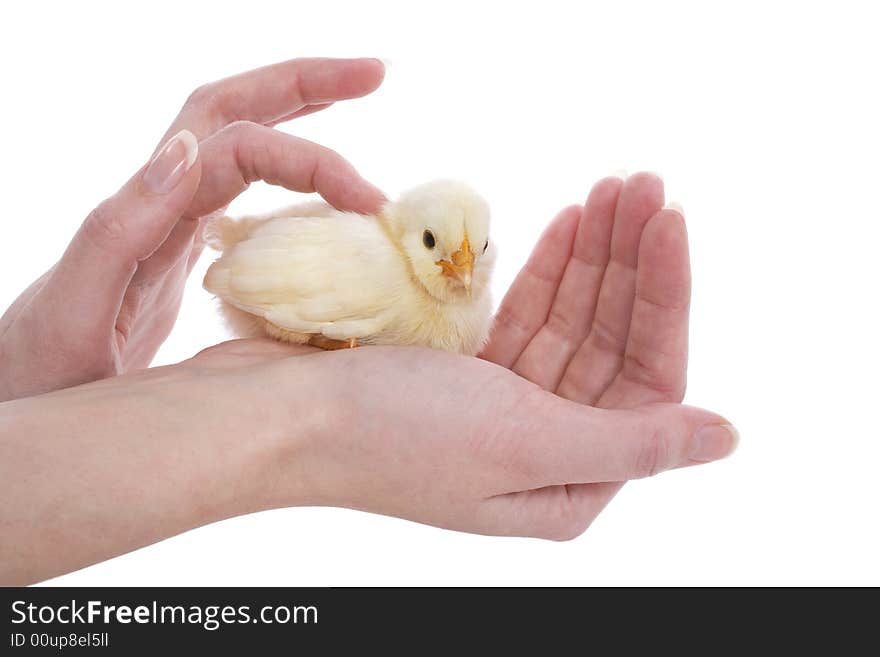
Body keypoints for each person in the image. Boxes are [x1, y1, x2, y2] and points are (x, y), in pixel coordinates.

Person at [0, 57, 737, 585]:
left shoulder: (457, 299)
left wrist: (26, 392)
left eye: (472, 256)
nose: (456, 272)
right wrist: (316, 404)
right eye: (435, 249)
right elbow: (244, 275)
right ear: (409, 234)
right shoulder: (379, 272)